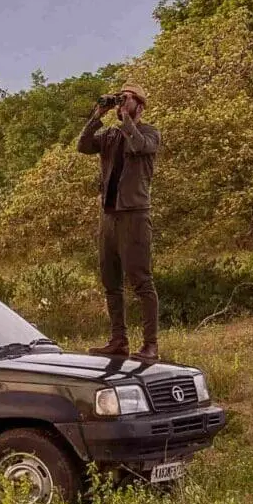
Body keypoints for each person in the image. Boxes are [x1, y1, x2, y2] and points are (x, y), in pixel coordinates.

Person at [76, 85, 161, 358]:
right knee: (110, 281)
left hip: (134, 215)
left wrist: (126, 120)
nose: (121, 103)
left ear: (140, 105)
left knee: (141, 281)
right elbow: (83, 145)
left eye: (127, 99)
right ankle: (118, 339)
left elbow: (137, 146)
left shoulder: (149, 133)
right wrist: (97, 114)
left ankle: (150, 344)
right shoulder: (111, 135)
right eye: (119, 98)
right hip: (109, 215)